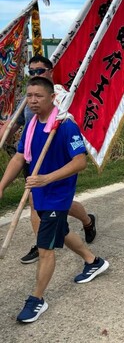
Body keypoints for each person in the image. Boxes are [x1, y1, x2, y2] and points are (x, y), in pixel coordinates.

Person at [0, 76, 109, 323]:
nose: (33, 100)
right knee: (60, 232)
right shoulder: (31, 126)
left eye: (38, 96)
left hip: (57, 195)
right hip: (39, 193)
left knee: (45, 248)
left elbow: (80, 161)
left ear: (52, 98)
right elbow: (19, 158)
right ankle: (93, 261)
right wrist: (2, 186)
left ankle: (37, 299)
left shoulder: (65, 126)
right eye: (29, 96)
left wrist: (47, 179)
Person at [0, 55, 96, 265]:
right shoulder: (29, 98)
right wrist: (7, 132)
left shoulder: (63, 97)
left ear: (50, 72)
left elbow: (74, 129)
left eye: (40, 70)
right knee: (37, 203)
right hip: (35, 159)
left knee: (62, 205)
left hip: (58, 161)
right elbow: (22, 124)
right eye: (31, 71)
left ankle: (87, 222)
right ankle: (43, 243)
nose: (35, 74)